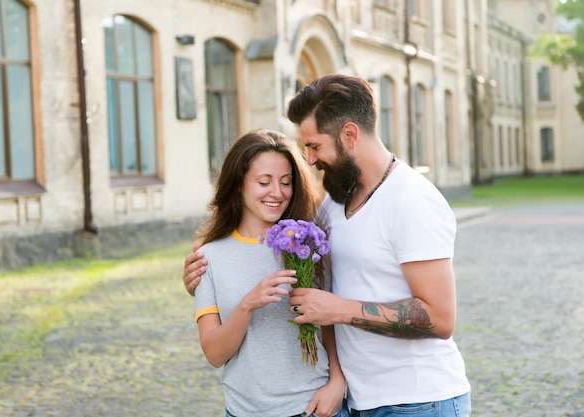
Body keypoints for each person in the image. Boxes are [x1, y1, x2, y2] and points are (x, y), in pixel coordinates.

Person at [183, 75, 471, 417]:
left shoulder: (412, 200)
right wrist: (206, 282)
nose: (309, 159)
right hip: (358, 401)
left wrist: (337, 309)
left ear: (349, 135)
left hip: (417, 400)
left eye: (315, 146)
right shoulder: (332, 206)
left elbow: (439, 318)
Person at [191, 129, 347, 417]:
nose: (277, 193)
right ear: (238, 184)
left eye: (286, 182)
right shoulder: (208, 256)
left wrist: (338, 382)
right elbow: (214, 354)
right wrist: (249, 304)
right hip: (244, 411)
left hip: (313, 408)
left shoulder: (306, 243)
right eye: (264, 182)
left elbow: (330, 325)